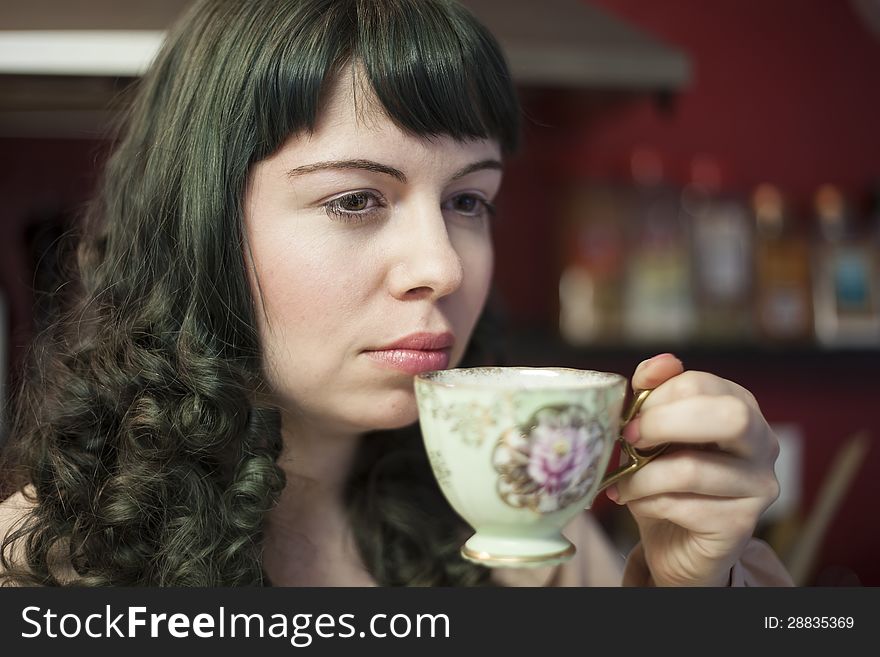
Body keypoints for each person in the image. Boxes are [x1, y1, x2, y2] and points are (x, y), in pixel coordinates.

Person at [0, 0, 792, 587]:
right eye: (356, 199)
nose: (444, 267)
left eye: (467, 200)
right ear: (196, 227)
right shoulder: (38, 569)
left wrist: (693, 590)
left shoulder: (534, 541)